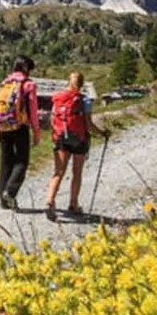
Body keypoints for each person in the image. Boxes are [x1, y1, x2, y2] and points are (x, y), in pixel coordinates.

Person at [44, 71, 109, 220]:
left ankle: (50, 201)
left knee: (58, 172)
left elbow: (53, 121)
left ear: (68, 81)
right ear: (81, 84)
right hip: (79, 139)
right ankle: (73, 203)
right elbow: (88, 125)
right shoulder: (84, 100)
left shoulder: (58, 99)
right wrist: (103, 133)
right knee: (76, 171)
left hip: (61, 138)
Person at [0, 55, 40, 210]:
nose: (30, 73)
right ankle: (10, 192)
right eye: (29, 69)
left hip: (3, 126)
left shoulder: (3, 84)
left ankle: (3, 201)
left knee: (5, 163)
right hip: (20, 127)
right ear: (26, 68)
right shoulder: (28, 85)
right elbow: (33, 111)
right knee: (22, 161)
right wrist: (36, 131)